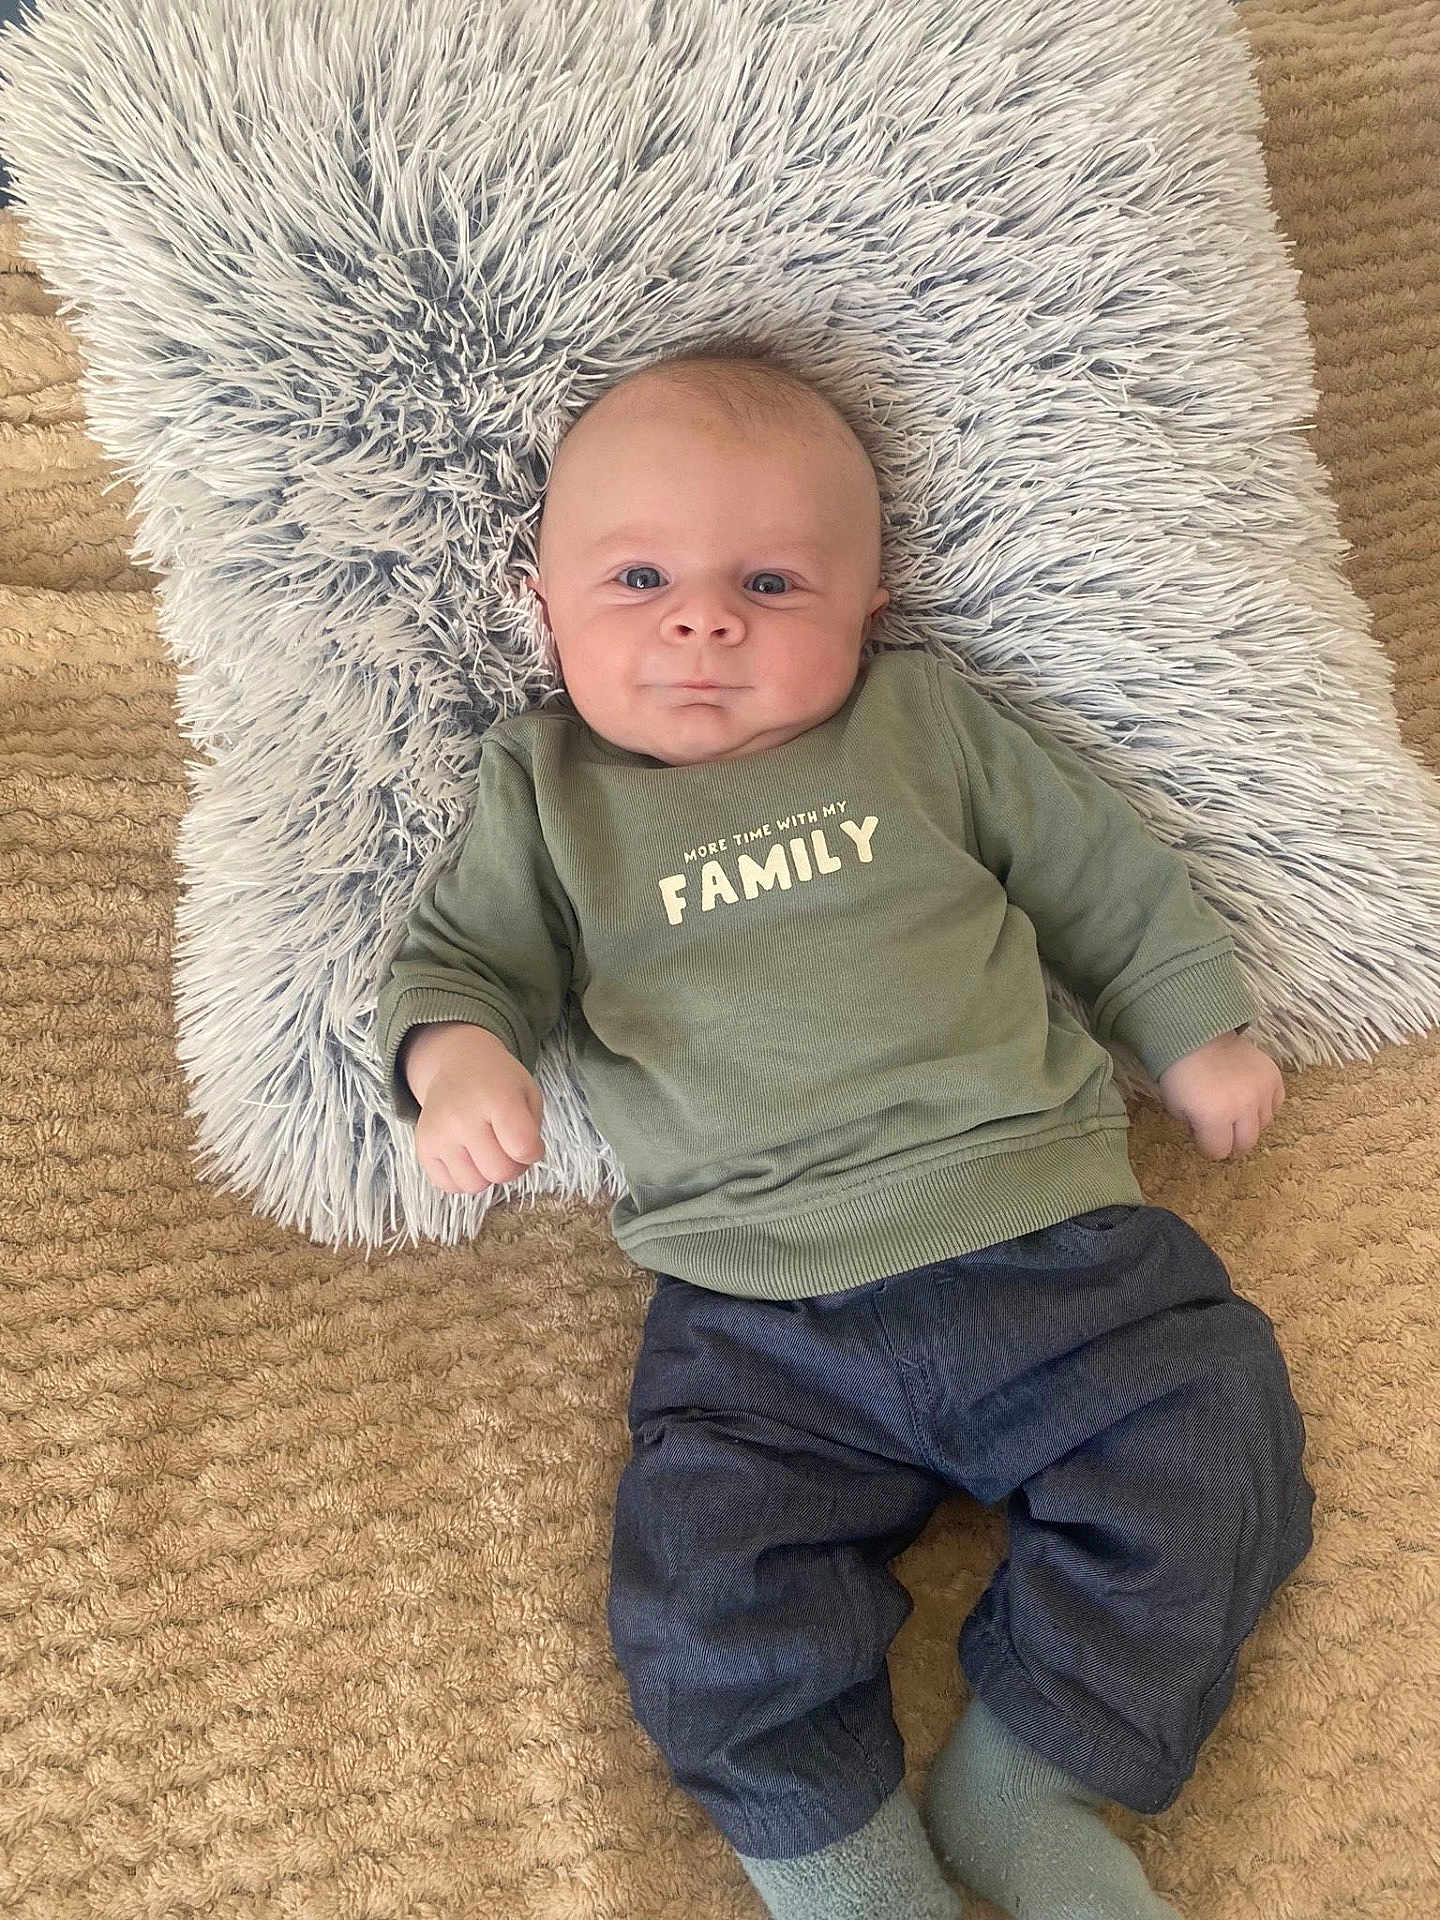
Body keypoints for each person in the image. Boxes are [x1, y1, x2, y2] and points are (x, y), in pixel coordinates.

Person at [374, 344, 1315, 1920]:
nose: (702, 620)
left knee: (1216, 1436)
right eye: (641, 576)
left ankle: (1033, 1780)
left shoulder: (924, 726)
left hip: (1051, 1242)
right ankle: (852, 1875)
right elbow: (457, 964)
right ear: (540, 596)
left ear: (871, 604)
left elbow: (1097, 872)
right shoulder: (547, 793)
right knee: (705, 1589)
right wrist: (457, 1064)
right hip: (757, 1316)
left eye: (770, 581)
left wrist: (1192, 1031)